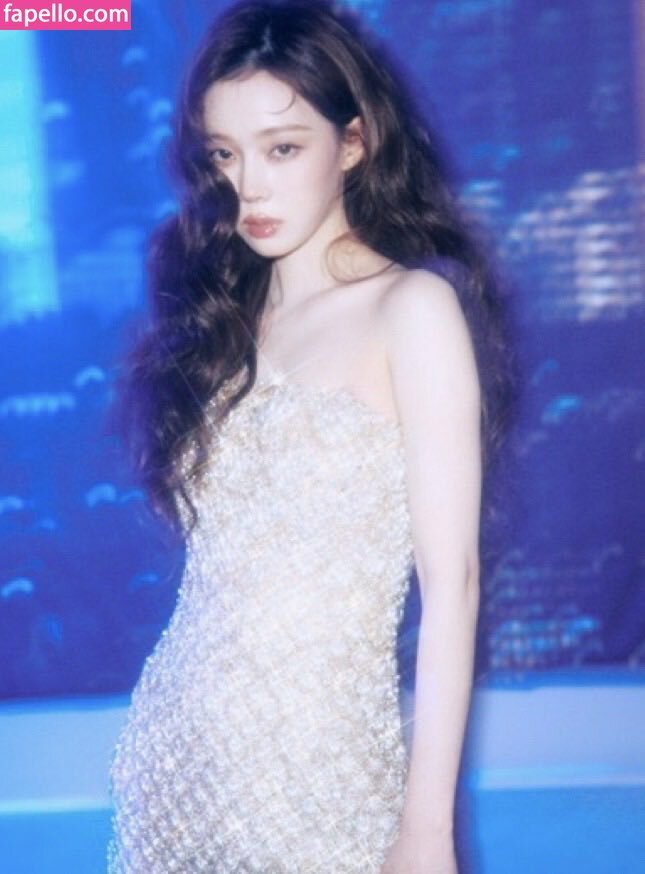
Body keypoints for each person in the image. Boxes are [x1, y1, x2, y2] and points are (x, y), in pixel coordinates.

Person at [107, 0, 515, 871]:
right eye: (225, 154)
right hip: (173, 766)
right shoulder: (226, 322)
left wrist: (427, 830)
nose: (248, 185)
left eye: (282, 148)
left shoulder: (411, 308)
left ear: (353, 142)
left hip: (321, 777)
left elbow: (454, 584)